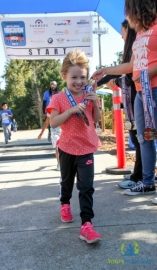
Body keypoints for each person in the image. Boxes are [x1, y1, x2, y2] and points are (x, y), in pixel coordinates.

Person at [92, 0, 157, 197]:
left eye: (129, 11)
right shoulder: (140, 33)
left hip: (154, 89)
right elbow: (131, 65)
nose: (127, 16)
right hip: (141, 93)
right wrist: (105, 71)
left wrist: (149, 73)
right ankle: (147, 182)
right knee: (145, 137)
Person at [47, 49, 102, 244]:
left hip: (86, 147)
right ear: (64, 76)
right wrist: (70, 110)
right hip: (67, 148)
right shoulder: (58, 98)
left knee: (86, 186)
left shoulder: (89, 94)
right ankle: (65, 204)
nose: (79, 82)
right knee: (67, 181)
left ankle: (86, 224)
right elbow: (53, 123)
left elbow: (95, 120)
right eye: (74, 77)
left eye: (83, 77)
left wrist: (97, 105)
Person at [97, 19, 143, 189]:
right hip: (133, 101)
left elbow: (129, 72)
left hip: (138, 98)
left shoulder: (136, 45)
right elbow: (127, 72)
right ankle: (140, 175)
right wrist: (102, 79)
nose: (121, 35)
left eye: (122, 31)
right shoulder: (132, 47)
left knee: (141, 141)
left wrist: (109, 79)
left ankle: (140, 177)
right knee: (139, 140)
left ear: (128, 29)